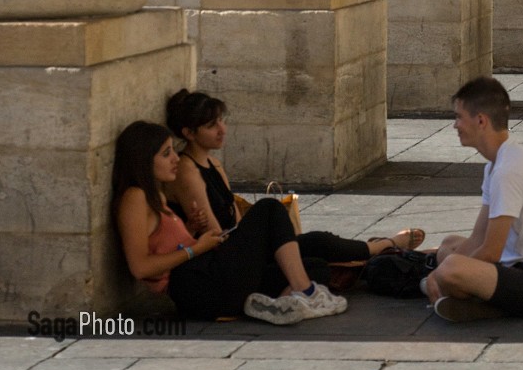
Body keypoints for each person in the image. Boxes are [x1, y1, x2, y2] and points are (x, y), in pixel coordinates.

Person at [112, 121, 348, 325]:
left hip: (208, 277)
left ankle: (275, 304)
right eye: (166, 154)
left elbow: (163, 242)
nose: (175, 158)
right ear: (143, 160)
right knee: (269, 208)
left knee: (315, 267)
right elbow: (140, 267)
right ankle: (303, 292)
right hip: (195, 285)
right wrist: (196, 248)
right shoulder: (135, 197)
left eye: (173, 150)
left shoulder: (157, 196)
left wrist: (191, 228)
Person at [164, 88, 424, 253]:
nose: (222, 130)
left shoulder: (213, 163)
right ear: (189, 133)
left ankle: (380, 249)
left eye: (222, 121)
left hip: (239, 245)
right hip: (226, 256)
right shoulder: (187, 171)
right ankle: (386, 246)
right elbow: (215, 233)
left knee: (317, 251)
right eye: (212, 125)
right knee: (312, 242)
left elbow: (234, 218)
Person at [422, 77, 523, 323]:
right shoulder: (497, 164)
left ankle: (488, 306)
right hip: (519, 267)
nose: (455, 125)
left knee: (451, 269)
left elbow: (491, 251)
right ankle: (476, 300)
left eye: (459, 117)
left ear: (481, 120)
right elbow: (477, 237)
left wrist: (441, 274)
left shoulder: (509, 170)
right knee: (449, 246)